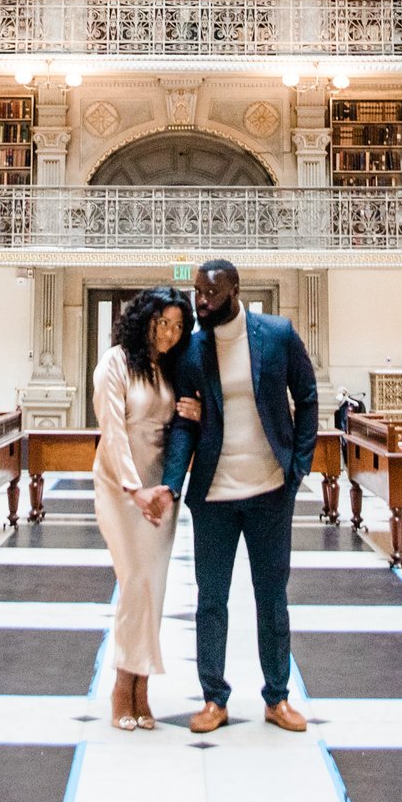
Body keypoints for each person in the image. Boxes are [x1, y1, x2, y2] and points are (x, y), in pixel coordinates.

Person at [152, 258, 319, 734]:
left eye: (211, 296)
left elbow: (307, 398)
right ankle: (213, 698)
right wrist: (171, 481)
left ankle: (277, 698)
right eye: (197, 295)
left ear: (235, 291)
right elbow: (186, 422)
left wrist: (299, 466)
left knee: (271, 598)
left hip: (270, 490)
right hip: (214, 494)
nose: (201, 304)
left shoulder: (277, 334)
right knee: (211, 600)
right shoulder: (192, 351)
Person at [91, 287, 191, 731]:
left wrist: (165, 487)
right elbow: (111, 432)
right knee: (134, 580)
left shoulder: (169, 369)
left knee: (153, 586)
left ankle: (142, 685)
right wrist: (134, 490)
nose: (169, 334)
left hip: (160, 493)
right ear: (145, 320)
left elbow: (177, 432)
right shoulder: (115, 363)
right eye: (162, 323)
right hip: (120, 487)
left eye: (177, 326)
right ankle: (121, 685)